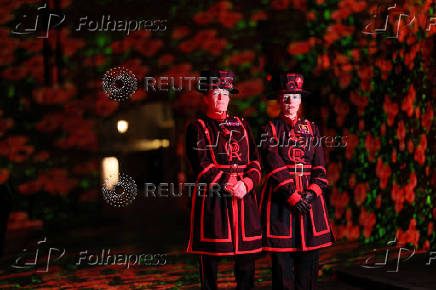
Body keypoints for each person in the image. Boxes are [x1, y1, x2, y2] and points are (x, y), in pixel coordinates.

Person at [185, 70, 262, 290]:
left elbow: (255, 161)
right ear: (205, 98)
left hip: (244, 197)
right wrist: (230, 185)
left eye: (225, 93)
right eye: (215, 93)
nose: (221, 98)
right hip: (214, 198)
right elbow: (202, 165)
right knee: (211, 257)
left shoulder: (243, 125)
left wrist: (246, 184)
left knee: (246, 258)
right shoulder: (197, 127)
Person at [259, 73, 335, 290]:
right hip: (280, 203)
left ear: (300, 101)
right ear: (279, 100)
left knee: (309, 267)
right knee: (282, 268)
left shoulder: (312, 129)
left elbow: (320, 167)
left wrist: (311, 194)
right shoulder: (269, 129)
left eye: (294, 97)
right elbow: (273, 166)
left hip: (310, 204)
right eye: (285, 97)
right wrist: (292, 196)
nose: (290, 102)